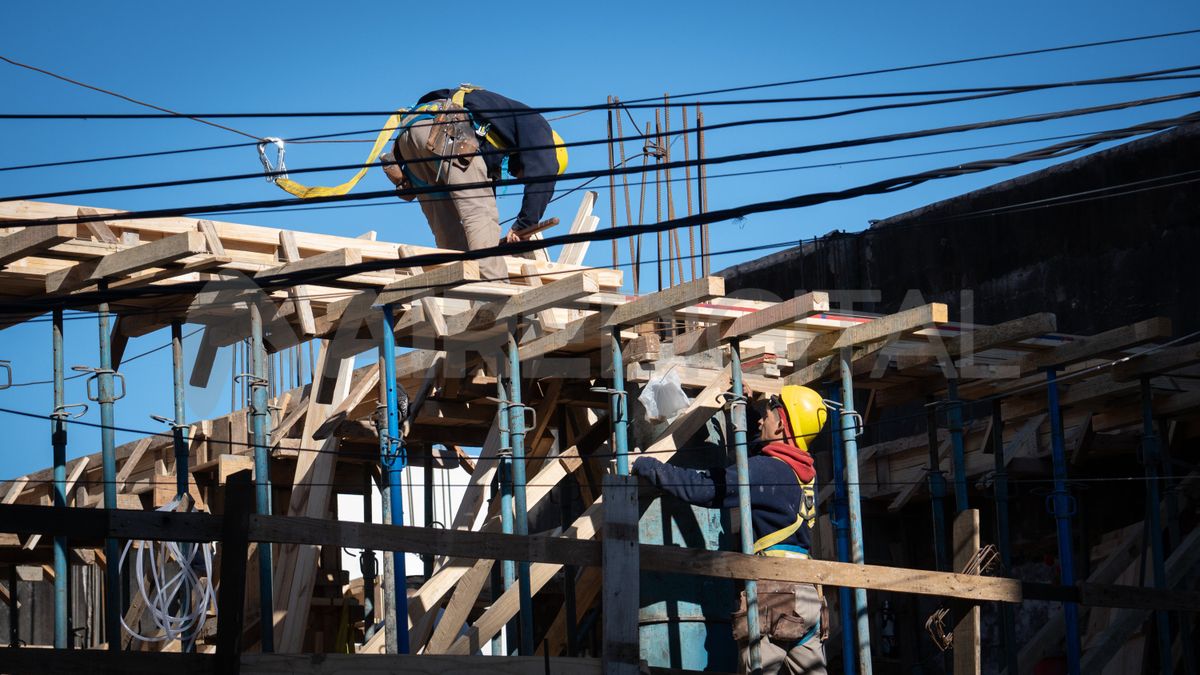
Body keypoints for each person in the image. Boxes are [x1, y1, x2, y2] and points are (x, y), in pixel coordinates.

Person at [631, 385, 829, 675]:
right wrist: (744, 410)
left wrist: (649, 466)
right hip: (809, 597)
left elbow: (704, 489)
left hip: (775, 596)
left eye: (768, 416)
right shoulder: (803, 472)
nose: (762, 421)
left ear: (783, 426)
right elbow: (758, 456)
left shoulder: (767, 470)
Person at [379, 85, 568, 280]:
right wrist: (523, 225)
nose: (518, 177)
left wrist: (494, 244)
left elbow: (480, 192)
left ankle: (461, 285)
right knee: (481, 215)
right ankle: (496, 287)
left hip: (412, 136)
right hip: (445, 129)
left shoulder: (497, 137)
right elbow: (543, 177)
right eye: (523, 174)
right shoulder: (539, 128)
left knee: (448, 229)